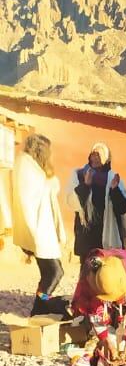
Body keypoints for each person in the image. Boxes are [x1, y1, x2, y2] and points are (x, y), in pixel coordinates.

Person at [13, 134, 67, 316]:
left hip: (41, 231)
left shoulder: (29, 167)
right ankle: (40, 307)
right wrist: (51, 183)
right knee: (55, 272)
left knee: (50, 273)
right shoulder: (27, 168)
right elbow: (32, 196)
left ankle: (40, 308)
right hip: (38, 232)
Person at [68, 143, 126, 259]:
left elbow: (123, 209)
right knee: (86, 271)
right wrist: (85, 185)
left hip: (106, 231)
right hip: (86, 233)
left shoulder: (113, 178)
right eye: (94, 154)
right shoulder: (79, 175)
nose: (96, 157)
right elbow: (72, 202)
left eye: (100, 154)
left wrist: (114, 190)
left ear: (107, 158)